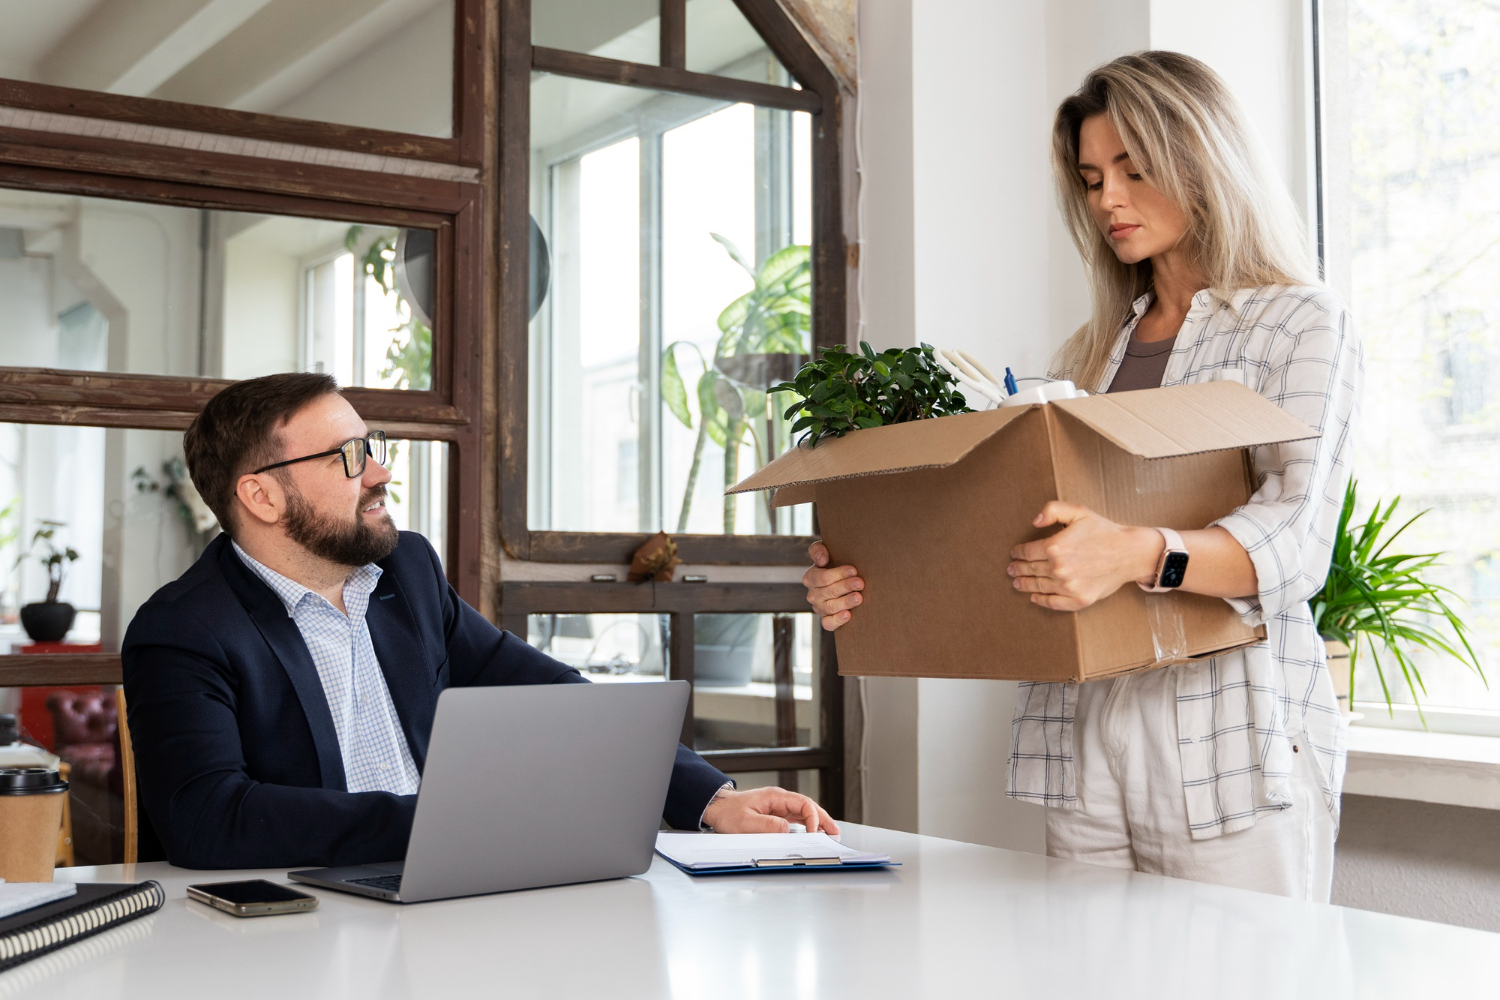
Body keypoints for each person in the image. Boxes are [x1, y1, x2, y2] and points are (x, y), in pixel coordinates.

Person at [803, 52, 1359, 901]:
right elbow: (1024, 540)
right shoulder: (1090, 356)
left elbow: (1296, 542)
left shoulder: (1298, 324)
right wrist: (875, 577)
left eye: (1134, 171)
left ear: (1203, 160)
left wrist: (1140, 553)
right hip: (1083, 732)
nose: (1107, 200)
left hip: (1232, 736)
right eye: (1093, 177)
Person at [124, 372, 836, 869]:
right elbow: (208, 818)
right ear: (262, 497)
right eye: (348, 457)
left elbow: (550, 693)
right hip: (300, 922)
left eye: (372, 445)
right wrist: (444, 823)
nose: (380, 471)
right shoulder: (184, 630)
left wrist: (707, 796)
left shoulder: (406, 572)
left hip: (454, 887)